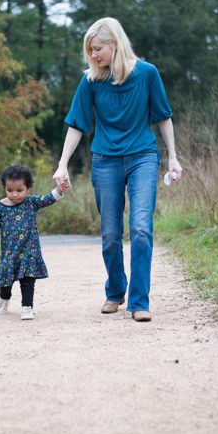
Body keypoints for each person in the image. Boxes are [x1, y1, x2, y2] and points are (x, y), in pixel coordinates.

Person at [52, 17, 183, 322]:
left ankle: (139, 301)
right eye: (90, 50)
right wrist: (62, 164)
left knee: (140, 229)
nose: (93, 55)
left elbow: (163, 116)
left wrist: (174, 157)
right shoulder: (91, 81)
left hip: (142, 158)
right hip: (105, 161)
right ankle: (115, 292)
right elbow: (77, 124)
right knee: (111, 234)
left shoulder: (147, 73)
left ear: (114, 43)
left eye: (98, 48)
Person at [0, 164, 70, 320]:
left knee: (28, 280)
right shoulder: (1, 206)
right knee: (6, 281)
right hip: (10, 253)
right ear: (4, 188)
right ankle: (4, 300)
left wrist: (59, 190)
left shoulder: (30, 202)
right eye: (10, 190)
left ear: (28, 188)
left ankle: (27, 307)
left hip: (29, 251)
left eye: (19, 190)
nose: (14, 194)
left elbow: (47, 199)